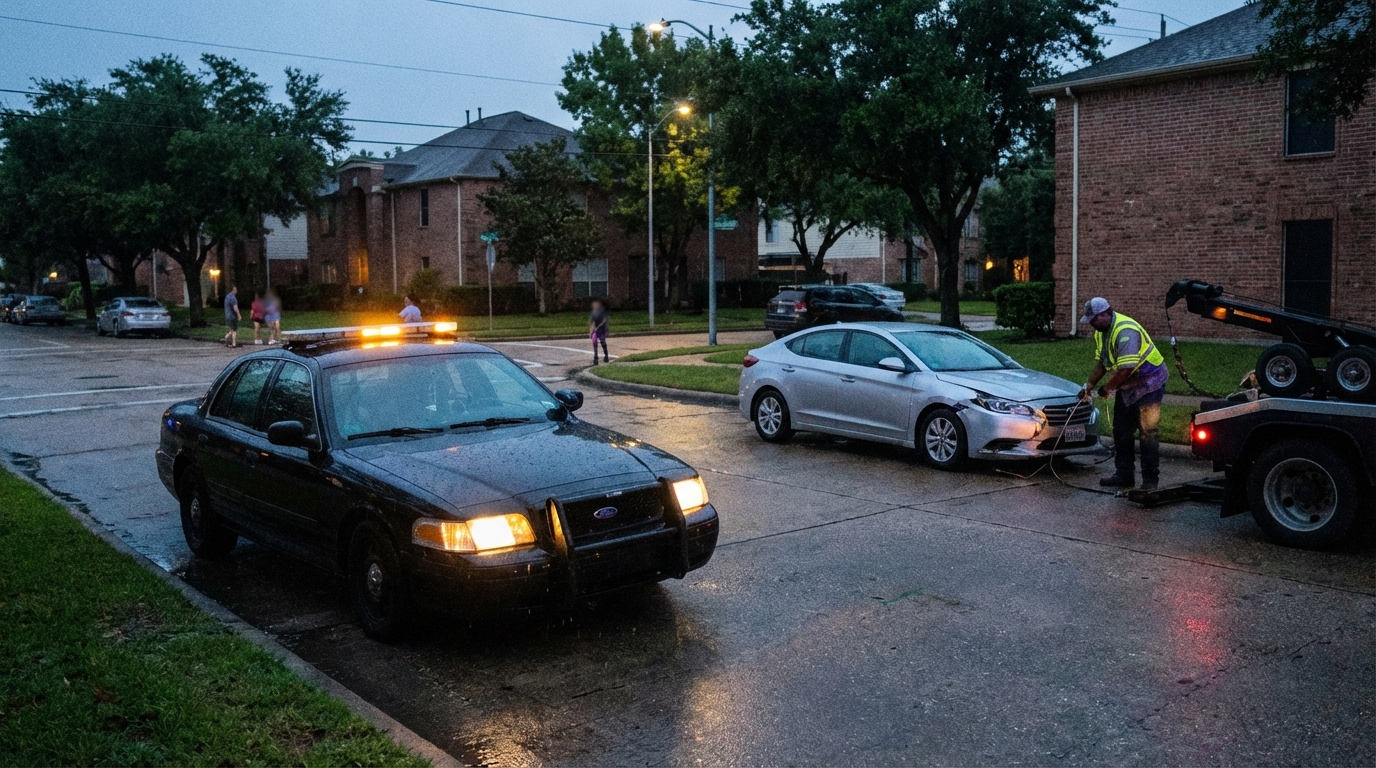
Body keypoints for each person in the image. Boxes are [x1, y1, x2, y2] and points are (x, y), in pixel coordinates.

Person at [1078, 297, 1169, 490]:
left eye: (1094, 319)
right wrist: (1090, 385)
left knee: (1148, 432)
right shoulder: (1102, 332)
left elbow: (1125, 369)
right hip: (1128, 385)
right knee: (1121, 431)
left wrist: (1106, 388)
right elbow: (1103, 362)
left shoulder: (1125, 331)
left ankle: (1150, 481)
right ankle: (1124, 474)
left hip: (1149, 383)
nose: (1092, 324)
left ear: (1105, 314)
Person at [589, 299, 610, 365]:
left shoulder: (602, 311)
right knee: (594, 342)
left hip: (602, 329)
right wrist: (591, 331)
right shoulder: (593, 312)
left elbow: (605, 320)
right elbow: (592, 322)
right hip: (596, 329)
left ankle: (606, 355)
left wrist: (600, 326)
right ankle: (596, 357)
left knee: (602, 342)